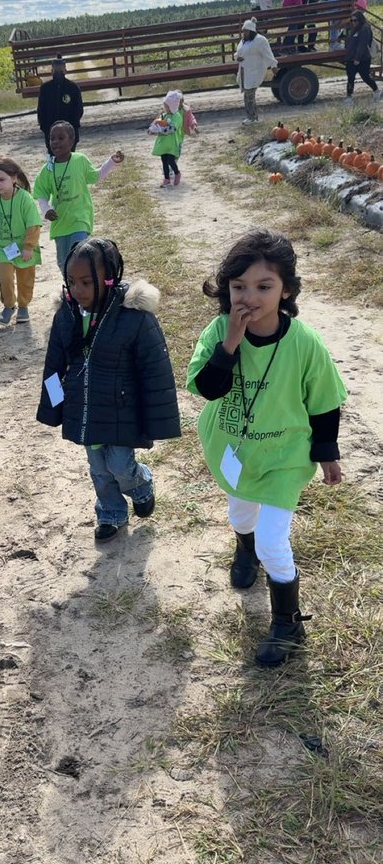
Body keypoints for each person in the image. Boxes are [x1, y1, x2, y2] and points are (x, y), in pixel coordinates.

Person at [186, 229, 347, 666]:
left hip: (284, 457)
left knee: (274, 541)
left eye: (264, 287)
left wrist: (326, 450)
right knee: (240, 514)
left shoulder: (305, 343)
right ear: (226, 289)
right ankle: (244, 549)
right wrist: (231, 343)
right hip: (236, 447)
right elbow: (208, 388)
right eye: (239, 287)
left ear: (286, 290)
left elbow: (325, 399)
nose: (249, 297)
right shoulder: (219, 330)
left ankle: (287, 622)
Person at [37, 238, 180, 542]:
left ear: (109, 278)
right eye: (72, 282)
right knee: (99, 469)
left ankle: (141, 484)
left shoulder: (135, 318)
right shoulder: (67, 315)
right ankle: (111, 512)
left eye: (86, 282)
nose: (78, 290)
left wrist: (156, 419)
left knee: (119, 465)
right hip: (86, 411)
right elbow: (54, 367)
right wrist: (55, 407)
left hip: (121, 412)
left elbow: (156, 373)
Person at [33, 121, 124, 274]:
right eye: (52, 138)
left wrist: (112, 162)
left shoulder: (80, 160)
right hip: (60, 223)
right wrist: (46, 210)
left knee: (79, 253)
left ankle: (86, 283)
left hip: (80, 218)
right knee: (64, 262)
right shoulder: (48, 168)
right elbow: (41, 192)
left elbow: (96, 176)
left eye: (61, 138)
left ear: (72, 140)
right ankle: (71, 287)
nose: (55, 142)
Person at [0, 157, 42, 325]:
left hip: (25, 249)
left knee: (25, 279)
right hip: (4, 249)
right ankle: (9, 305)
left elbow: (33, 225)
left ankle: (23, 306)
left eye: (1, 179)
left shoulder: (25, 199)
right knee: (5, 278)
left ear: (14, 178)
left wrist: (29, 247)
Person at [235, 19, 278, 125]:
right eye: (243, 31)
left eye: (246, 31)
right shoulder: (243, 41)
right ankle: (250, 117)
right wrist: (237, 58)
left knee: (250, 94)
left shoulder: (260, 40)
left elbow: (268, 54)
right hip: (244, 70)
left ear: (251, 31)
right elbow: (238, 53)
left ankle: (253, 118)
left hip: (255, 70)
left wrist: (273, 65)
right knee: (247, 94)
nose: (244, 33)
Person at [36, 56, 84, 152]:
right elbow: (41, 111)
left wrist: (71, 129)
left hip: (69, 136)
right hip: (51, 135)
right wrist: (46, 130)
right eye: (56, 71)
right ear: (52, 71)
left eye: (61, 71)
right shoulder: (45, 89)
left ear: (65, 71)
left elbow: (78, 110)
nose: (58, 74)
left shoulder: (73, 88)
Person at [148, 90, 184, 187]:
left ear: (172, 107)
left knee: (170, 160)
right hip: (164, 142)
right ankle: (166, 179)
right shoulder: (164, 115)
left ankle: (177, 173)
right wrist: (153, 129)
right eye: (165, 106)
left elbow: (172, 128)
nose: (165, 108)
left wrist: (161, 130)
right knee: (164, 160)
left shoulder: (177, 116)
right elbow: (157, 123)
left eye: (167, 106)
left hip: (172, 142)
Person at [344, 9, 380, 105]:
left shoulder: (365, 29)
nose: (353, 22)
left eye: (355, 20)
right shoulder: (353, 29)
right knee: (350, 78)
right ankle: (349, 97)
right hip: (351, 58)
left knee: (365, 77)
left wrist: (357, 58)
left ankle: (376, 90)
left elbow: (362, 45)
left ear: (360, 20)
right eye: (351, 20)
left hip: (363, 58)